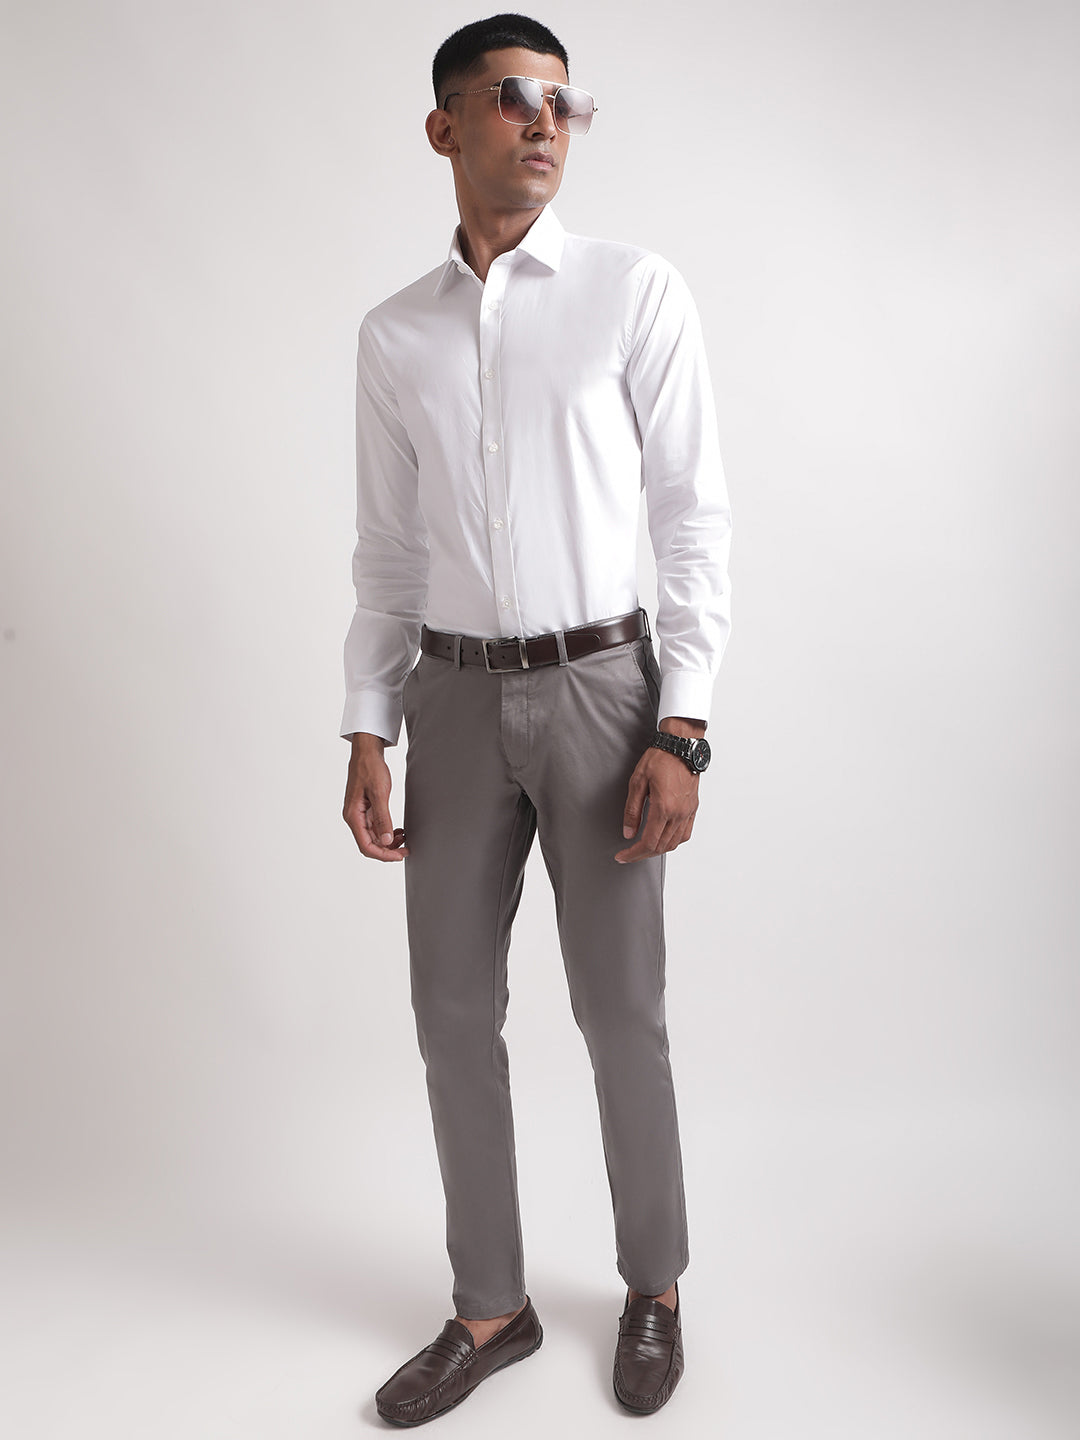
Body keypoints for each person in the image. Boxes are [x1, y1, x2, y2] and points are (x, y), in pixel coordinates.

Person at [340, 12, 732, 1425]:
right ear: (445, 126)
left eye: (564, 101)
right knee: (452, 1010)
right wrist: (368, 721)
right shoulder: (396, 333)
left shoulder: (633, 291)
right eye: (512, 97)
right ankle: (490, 1307)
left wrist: (680, 725)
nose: (545, 121)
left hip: (602, 689)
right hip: (447, 696)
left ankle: (654, 1287)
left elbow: (692, 520)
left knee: (621, 1009)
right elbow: (389, 551)